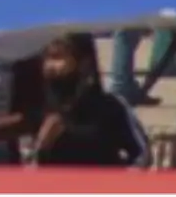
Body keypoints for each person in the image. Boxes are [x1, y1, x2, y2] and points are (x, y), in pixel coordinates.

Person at [31, 34, 150, 167]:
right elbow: (33, 167)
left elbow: (141, 153)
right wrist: (43, 145)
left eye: (57, 57)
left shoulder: (111, 106)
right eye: (47, 59)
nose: (50, 67)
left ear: (84, 63)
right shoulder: (39, 110)